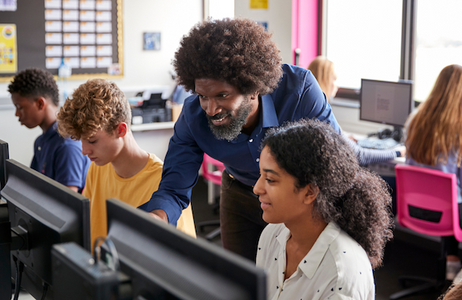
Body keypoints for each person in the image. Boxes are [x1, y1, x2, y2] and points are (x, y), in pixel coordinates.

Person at [139, 18, 341, 261]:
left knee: (297, 280)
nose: (211, 109)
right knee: (240, 278)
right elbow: (174, 186)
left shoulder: (299, 92)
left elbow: (335, 162)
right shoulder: (193, 116)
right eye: (203, 96)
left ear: (254, 88)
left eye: (222, 95)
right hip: (239, 194)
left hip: (295, 196)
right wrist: (157, 217)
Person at [255, 119, 394, 299]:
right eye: (260, 175)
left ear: (309, 192)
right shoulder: (272, 234)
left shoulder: (341, 274)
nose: (256, 188)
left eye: (270, 180)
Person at [56, 79, 196, 247]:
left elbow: (184, 260)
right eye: (82, 141)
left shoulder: (166, 184)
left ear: (121, 130)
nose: (84, 151)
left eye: (92, 141)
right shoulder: (97, 168)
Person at [405, 64, 462, 280]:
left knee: (450, 199)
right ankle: (453, 268)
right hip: (447, 214)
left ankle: (452, 262)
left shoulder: (415, 121)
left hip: (415, 209)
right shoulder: (458, 131)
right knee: (454, 199)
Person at [308, 56, 405, 165]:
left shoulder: (307, 108)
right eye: (334, 79)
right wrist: (396, 152)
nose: (337, 85)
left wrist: (342, 135)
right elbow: (359, 155)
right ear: (324, 80)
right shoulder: (320, 113)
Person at [8, 68, 89, 193]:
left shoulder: (67, 146)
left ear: (40, 103)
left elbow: (68, 204)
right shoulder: (41, 141)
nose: (17, 114)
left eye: (20, 107)